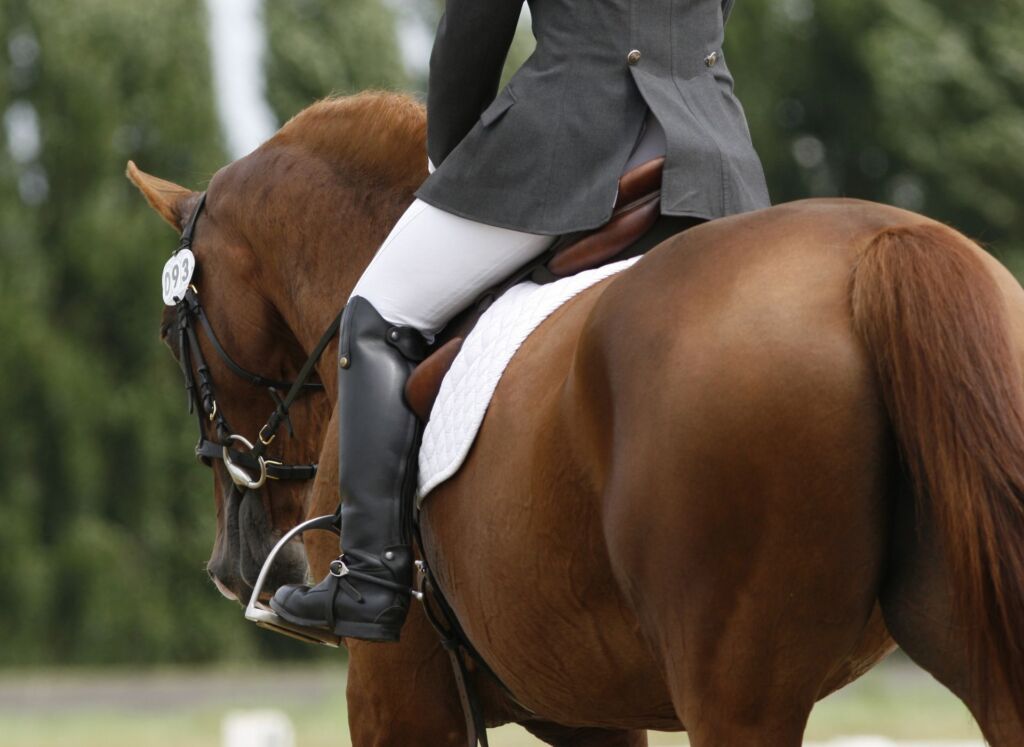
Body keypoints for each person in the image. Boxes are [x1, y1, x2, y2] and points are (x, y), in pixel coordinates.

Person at [270, 0, 770, 642]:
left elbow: (473, 31)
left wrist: (451, 161)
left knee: (378, 312)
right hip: (714, 154)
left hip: (569, 141)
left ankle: (368, 578)